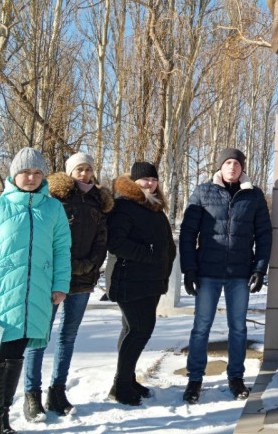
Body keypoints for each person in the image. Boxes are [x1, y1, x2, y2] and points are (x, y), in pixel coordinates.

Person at [0, 147, 71, 434]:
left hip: (36, 296)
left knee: (16, 355)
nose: (31, 178)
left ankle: (4, 419)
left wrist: (60, 285)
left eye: (36, 173)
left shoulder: (53, 208)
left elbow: (62, 250)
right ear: (14, 175)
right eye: (25, 172)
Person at [22, 152, 112, 420]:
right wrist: (66, 267)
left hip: (84, 280)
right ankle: (31, 394)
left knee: (68, 337)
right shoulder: (55, 198)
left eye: (88, 170)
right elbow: (48, 237)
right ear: (70, 172)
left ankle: (57, 390)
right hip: (51, 278)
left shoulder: (99, 201)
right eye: (79, 170)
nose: (84, 174)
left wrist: (89, 265)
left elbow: (102, 240)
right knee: (39, 336)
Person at [179, 148, 272, 403]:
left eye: (237, 163)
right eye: (228, 163)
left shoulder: (253, 195)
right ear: (220, 167)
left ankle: (236, 377)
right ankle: (194, 379)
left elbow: (264, 234)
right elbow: (188, 233)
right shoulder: (203, 192)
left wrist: (259, 268)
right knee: (201, 328)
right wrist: (188, 269)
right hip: (207, 272)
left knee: (238, 329)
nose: (232, 167)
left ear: (242, 168)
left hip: (239, 274)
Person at [107, 161, 176, 405]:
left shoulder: (154, 207)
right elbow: (116, 243)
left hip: (151, 281)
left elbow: (165, 244)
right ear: (134, 182)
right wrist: (150, 253)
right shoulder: (124, 206)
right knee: (139, 330)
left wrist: (164, 264)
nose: (150, 183)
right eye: (145, 180)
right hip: (130, 280)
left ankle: (126, 379)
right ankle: (121, 387)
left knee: (131, 330)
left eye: (154, 180)